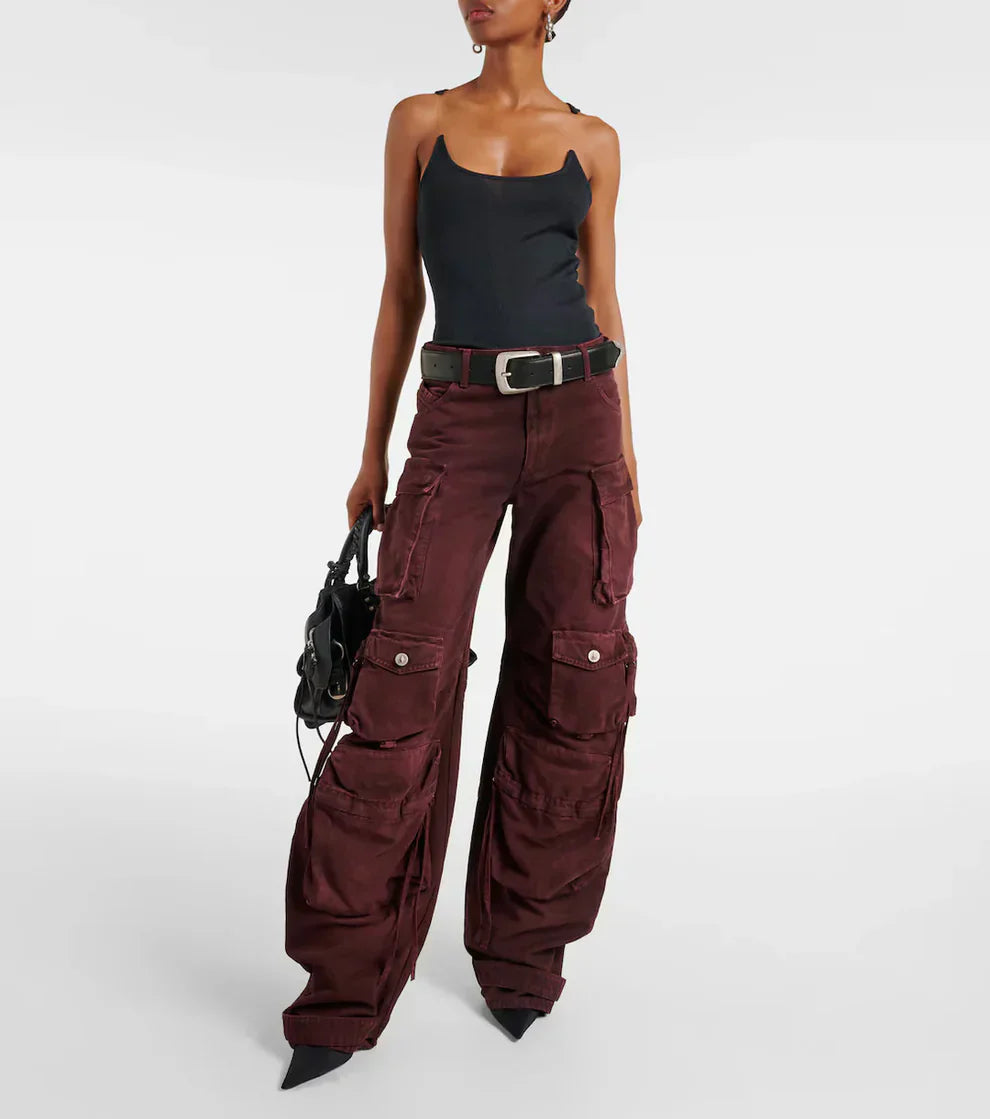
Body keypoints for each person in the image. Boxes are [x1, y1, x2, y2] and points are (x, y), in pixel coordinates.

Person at [280, 0, 641, 1089]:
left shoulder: (593, 142)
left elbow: (607, 304)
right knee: (400, 681)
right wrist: (371, 450)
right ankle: (341, 996)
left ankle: (523, 964)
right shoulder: (420, 122)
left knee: (571, 684)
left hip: (581, 417)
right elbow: (400, 291)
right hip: (457, 422)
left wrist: (627, 463)